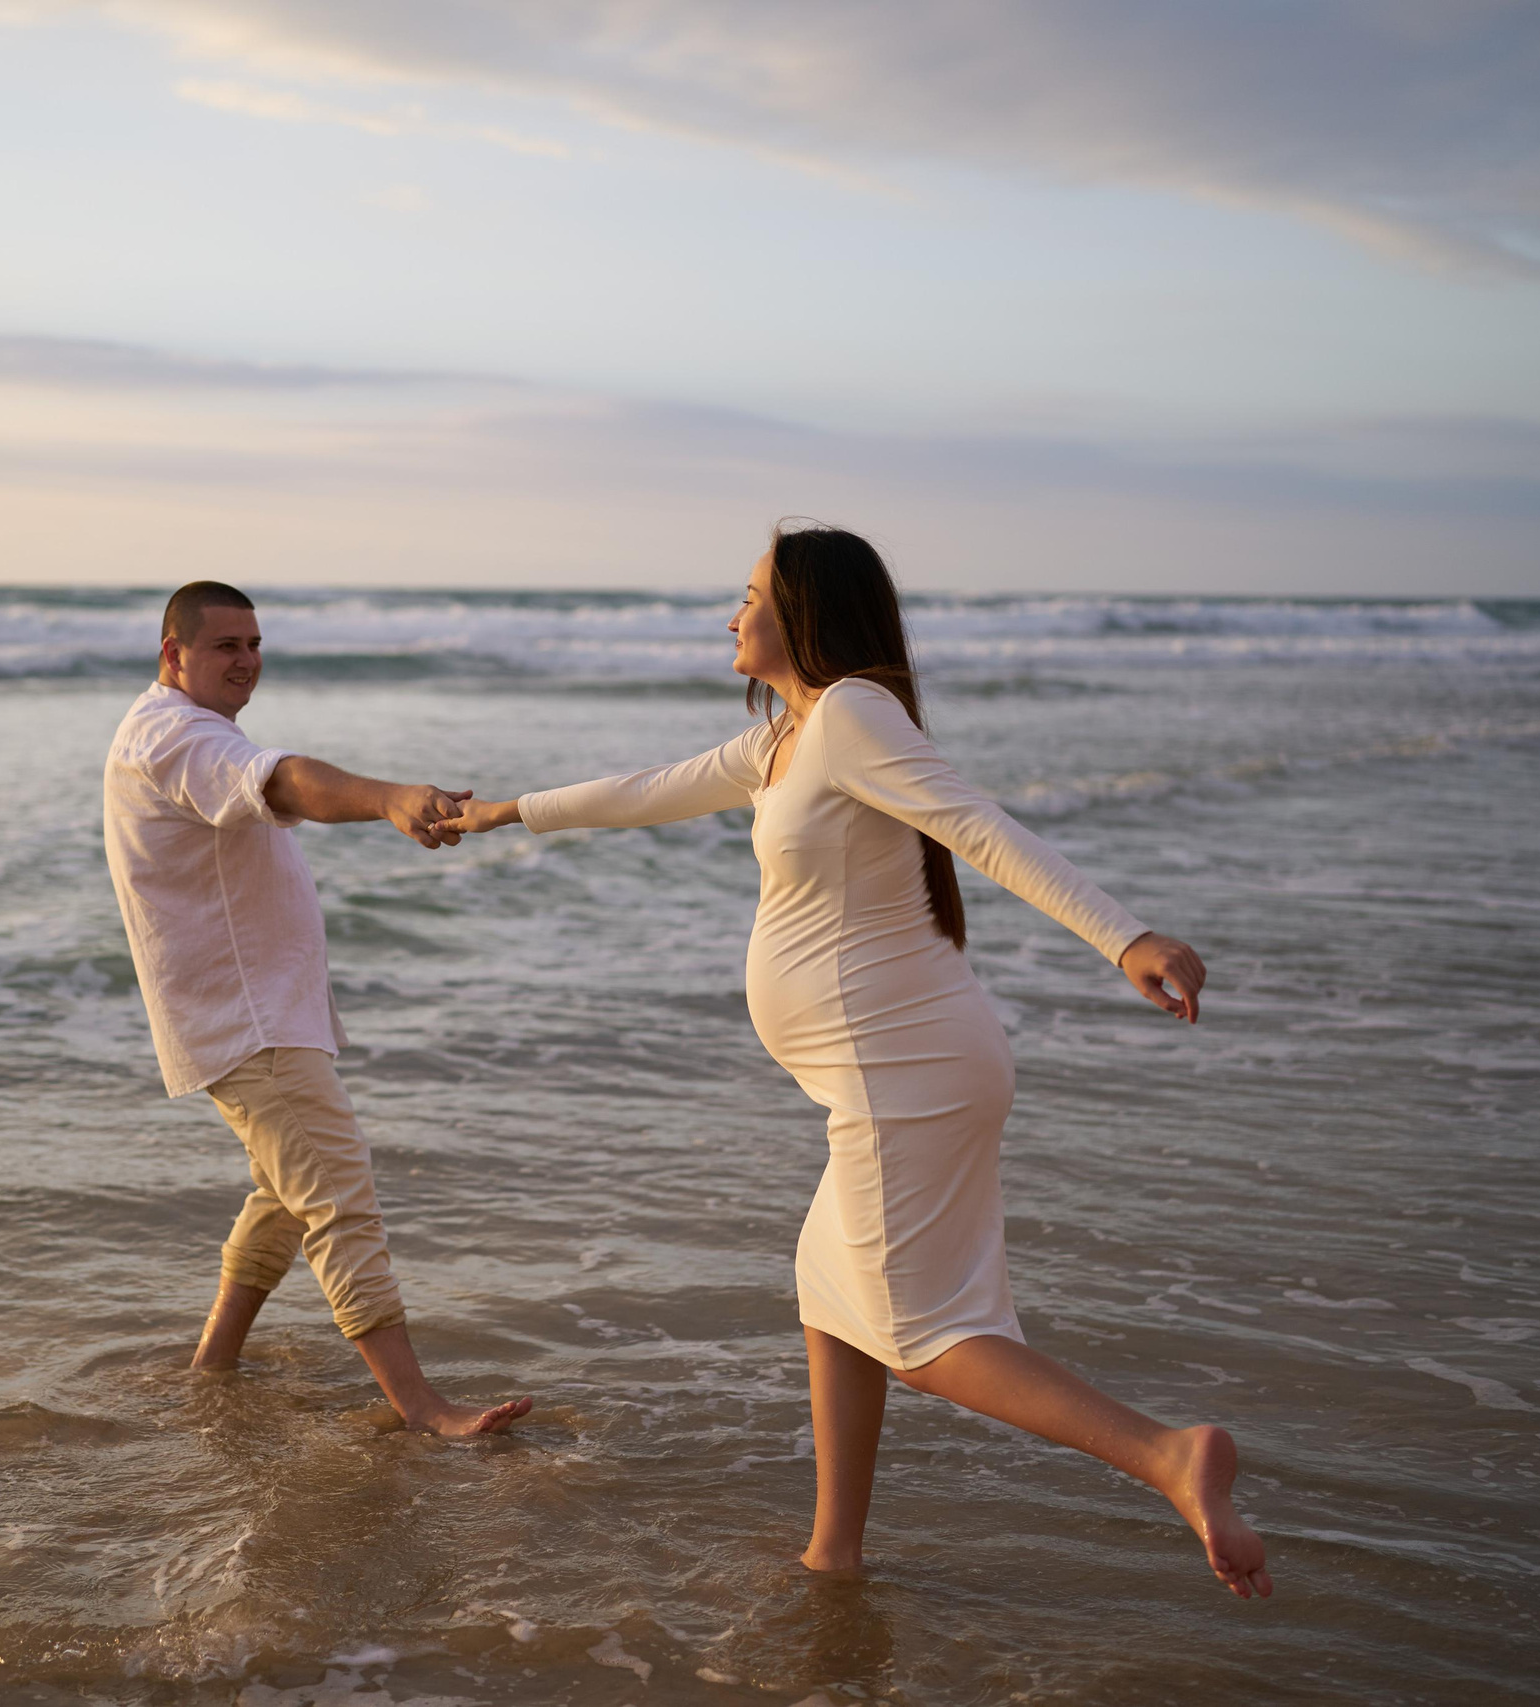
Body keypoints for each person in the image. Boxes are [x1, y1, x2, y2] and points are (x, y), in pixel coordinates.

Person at [436, 527, 1271, 1594]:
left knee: (919, 1333)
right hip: (896, 1066)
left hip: (900, 1067)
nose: (731, 615)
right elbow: (645, 788)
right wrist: (504, 812)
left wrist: (1125, 937)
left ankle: (1167, 1455)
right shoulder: (786, 739)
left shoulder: (850, 715)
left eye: (749, 596)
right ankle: (833, 1552)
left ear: (805, 610)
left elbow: (977, 825)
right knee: (833, 1291)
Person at [103, 579, 532, 1437]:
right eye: (226, 645)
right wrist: (390, 798)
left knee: (285, 1192)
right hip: (248, 1023)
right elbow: (285, 782)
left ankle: (213, 1364)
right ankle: (422, 1408)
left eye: (255, 644)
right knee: (338, 1193)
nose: (247, 660)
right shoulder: (176, 735)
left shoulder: (185, 729)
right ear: (173, 653)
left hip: (260, 1017)